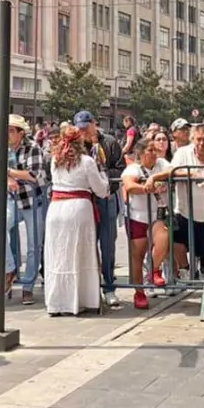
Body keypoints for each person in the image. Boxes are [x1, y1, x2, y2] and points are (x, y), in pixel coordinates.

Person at [44, 127, 110, 315]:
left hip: (56, 209)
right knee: (79, 253)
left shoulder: (55, 160)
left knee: (58, 255)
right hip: (78, 209)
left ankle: (57, 302)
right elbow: (100, 189)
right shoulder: (87, 161)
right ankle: (81, 300)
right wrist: (104, 178)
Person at [74, 110, 125, 308]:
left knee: (107, 244)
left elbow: (119, 168)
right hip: (86, 199)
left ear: (94, 124)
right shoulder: (76, 146)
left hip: (106, 197)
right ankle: (89, 288)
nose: (84, 132)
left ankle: (109, 286)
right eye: (80, 129)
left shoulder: (110, 142)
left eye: (87, 128)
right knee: (87, 245)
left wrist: (99, 171)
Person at [0, 114, 47, 306]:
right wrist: (7, 177)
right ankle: (10, 269)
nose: (7, 134)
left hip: (33, 201)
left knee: (34, 247)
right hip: (11, 200)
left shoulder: (33, 148)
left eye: (11, 130)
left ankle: (28, 287)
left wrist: (7, 171)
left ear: (20, 133)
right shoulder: (2, 148)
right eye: (5, 130)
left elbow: (34, 175)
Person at [168, 123, 204, 278]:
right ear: (192, 139)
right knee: (176, 242)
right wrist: (191, 174)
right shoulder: (182, 153)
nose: (202, 143)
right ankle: (186, 270)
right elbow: (171, 172)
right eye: (199, 139)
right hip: (185, 212)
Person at [121, 138, 171, 310]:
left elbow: (173, 171)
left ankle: (154, 270)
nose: (154, 152)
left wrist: (157, 178)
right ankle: (139, 292)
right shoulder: (133, 168)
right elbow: (129, 185)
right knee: (137, 255)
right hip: (137, 216)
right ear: (141, 153)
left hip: (157, 215)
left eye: (154, 150)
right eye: (150, 150)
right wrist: (146, 188)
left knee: (164, 237)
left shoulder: (162, 163)